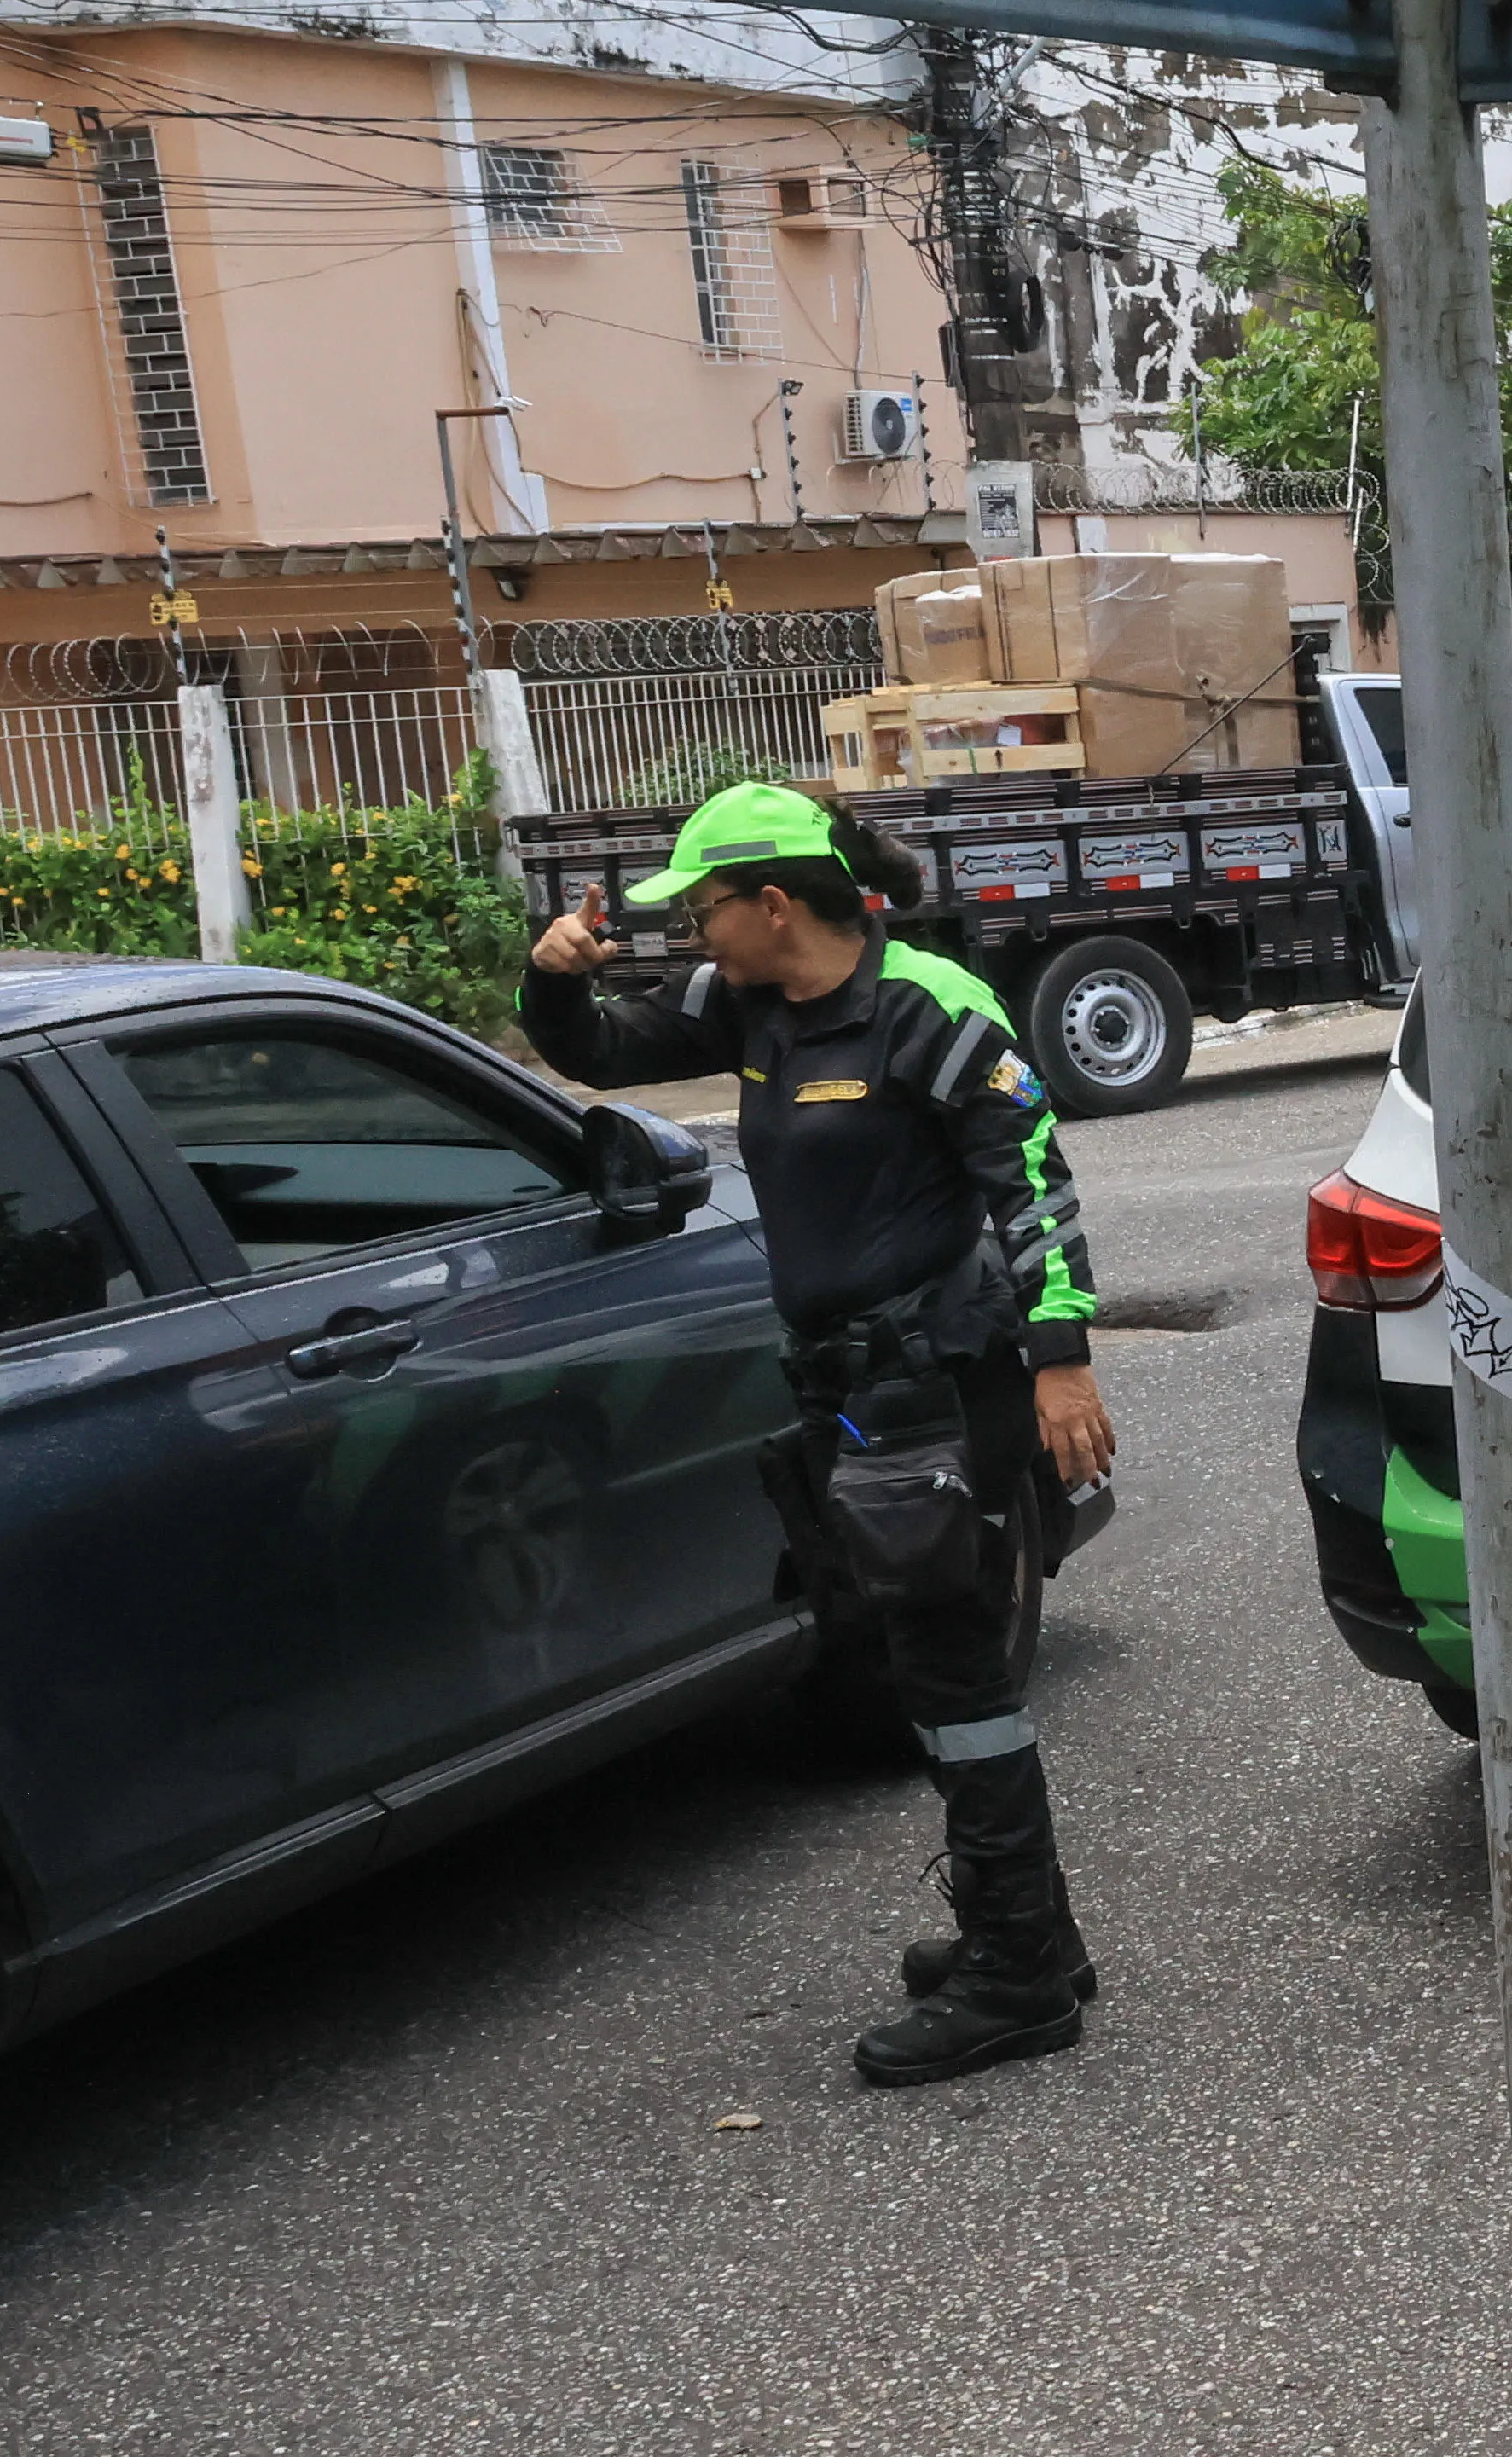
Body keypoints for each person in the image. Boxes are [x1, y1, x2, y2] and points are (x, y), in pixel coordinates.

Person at [519, 786, 1115, 2089]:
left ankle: (1019, 1972)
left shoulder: (933, 1009)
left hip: (942, 1383)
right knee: (923, 1658)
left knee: (951, 1667)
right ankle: (1031, 1933)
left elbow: (1034, 1188)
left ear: (773, 902)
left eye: (706, 907)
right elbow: (605, 1053)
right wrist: (552, 982)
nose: (693, 931)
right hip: (849, 1387)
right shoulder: (744, 1005)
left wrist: (1063, 1362)